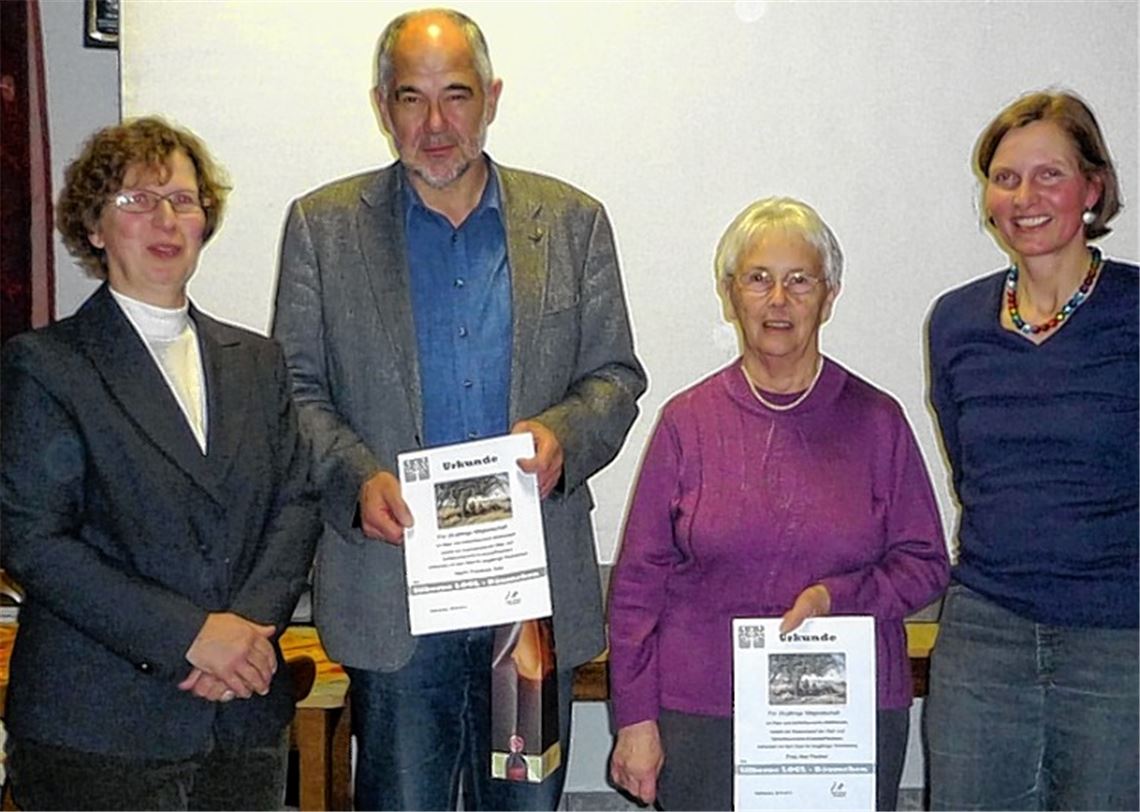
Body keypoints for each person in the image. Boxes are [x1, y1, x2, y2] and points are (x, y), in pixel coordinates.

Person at [271, 8, 646, 810]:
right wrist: (357, 479)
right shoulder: (322, 228)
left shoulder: (573, 223)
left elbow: (615, 378)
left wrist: (561, 436)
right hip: (394, 593)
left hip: (530, 608)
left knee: (524, 804)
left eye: (457, 96)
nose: (436, 124)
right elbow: (296, 392)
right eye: (411, 98)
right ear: (382, 105)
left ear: (493, 98)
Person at [0, 117, 322, 810]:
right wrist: (192, 638)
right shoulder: (46, 365)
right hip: (100, 730)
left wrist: (245, 631)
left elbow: (297, 503)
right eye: (136, 201)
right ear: (92, 226)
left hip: (241, 716)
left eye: (183, 200)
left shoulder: (257, 362)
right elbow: (35, 542)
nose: (165, 219)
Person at [607, 197, 949, 811]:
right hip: (706, 717)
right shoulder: (687, 423)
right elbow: (637, 586)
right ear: (730, 293)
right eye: (758, 279)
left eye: (799, 281)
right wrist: (635, 720)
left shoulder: (878, 421)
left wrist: (836, 598)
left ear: (830, 294)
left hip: (845, 717)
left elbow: (925, 564)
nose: (778, 300)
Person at [924, 90, 1138, 811]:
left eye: (1050, 174)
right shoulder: (955, 321)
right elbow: (974, 468)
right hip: (985, 633)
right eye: (1006, 177)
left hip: (1118, 638)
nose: (1025, 196)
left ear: (1093, 187)